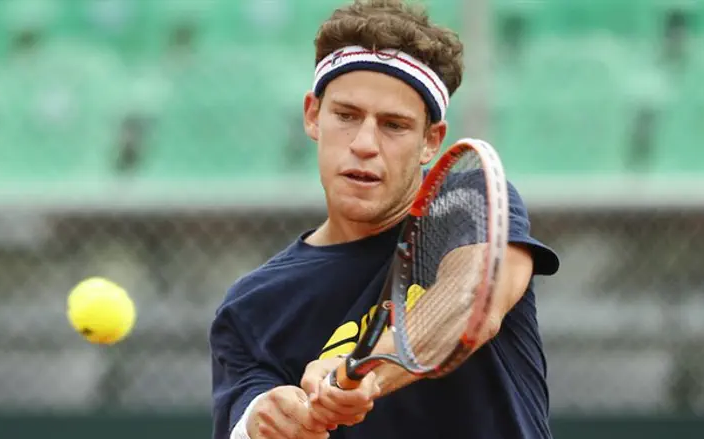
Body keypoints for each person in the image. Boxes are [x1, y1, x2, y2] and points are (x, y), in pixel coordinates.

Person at [209, 1, 560, 438]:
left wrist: (360, 369)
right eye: (346, 115)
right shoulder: (251, 307)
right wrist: (269, 421)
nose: (364, 144)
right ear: (313, 115)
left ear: (431, 141)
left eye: (393, 125)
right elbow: (248, 423)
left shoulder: (468, 200)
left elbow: (476, 300)